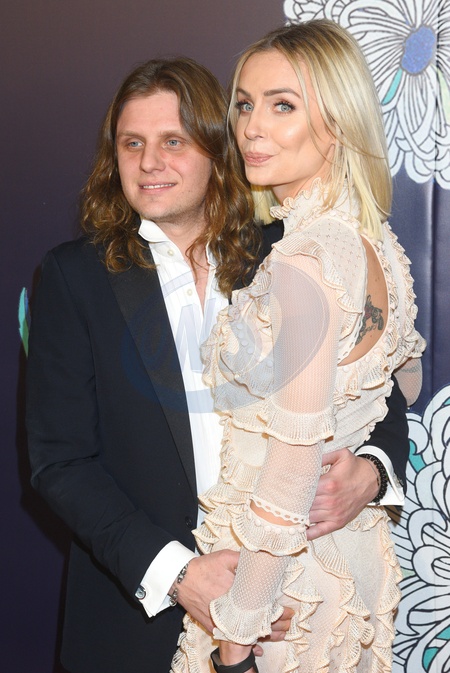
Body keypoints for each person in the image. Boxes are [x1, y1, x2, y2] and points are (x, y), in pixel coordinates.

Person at [26, 56, 411, 673]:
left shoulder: (287, 255)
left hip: (291, 607)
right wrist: (180, 574)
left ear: (216, 149)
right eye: (132, 143)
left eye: (173, 141)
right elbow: (60, 462)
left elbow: (376, 390)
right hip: (136, 623)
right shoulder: (77, 277)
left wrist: (372, 472)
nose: (150, 162)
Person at [171, 21, 425, 673]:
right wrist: (357, 444)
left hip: (282, 593)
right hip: (350, 560)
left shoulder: (305, 259)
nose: (251, 127)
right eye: (244, 104)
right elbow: (405, 377)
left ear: (337, 122)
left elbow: (291, 467)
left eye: (282, 105)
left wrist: (238, 638)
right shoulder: (377, 244)